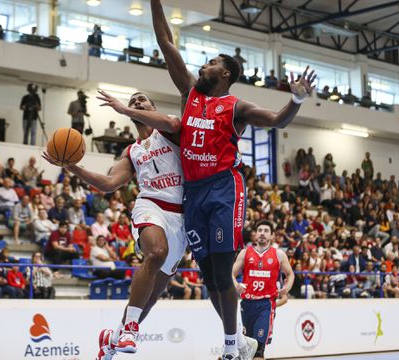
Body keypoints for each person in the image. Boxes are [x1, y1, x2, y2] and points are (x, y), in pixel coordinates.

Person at [118, 3, 315, 358]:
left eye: (211, 63)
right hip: (193, 193)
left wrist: (296, 100)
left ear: (224, 74)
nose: (203, 66)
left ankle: (229, 347)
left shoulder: (236, 107)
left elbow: (277, 120)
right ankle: (239, 342)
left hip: (225, 189)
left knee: (223, 274)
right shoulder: (190, 94)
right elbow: (165, 41)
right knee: (210, 279)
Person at [43, 91, 188, 359]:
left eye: (142, 99)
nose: (136, 102)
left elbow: (172, 122)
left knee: (152, 295)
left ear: (152, 107)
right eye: (132, 101)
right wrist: (71, 165)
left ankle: (113, 337)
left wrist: (125, 110)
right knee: (156, 253)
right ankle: (130, 329)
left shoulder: (169, 129)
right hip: (150, 205)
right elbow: (109, 184)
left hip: (180, 216)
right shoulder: (131, 151)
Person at [232, 221, 294, 360]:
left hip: (266, 305)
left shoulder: (278, 254)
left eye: (266, 231)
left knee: (258, 350)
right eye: (260, 230)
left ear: (272, 236)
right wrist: (236, 284)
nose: (262, 233)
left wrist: (287, 288)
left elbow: (290, 274)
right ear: (255, 234)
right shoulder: (245, 253)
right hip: (247, 304)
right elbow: (231, 274)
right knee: (248, 350)